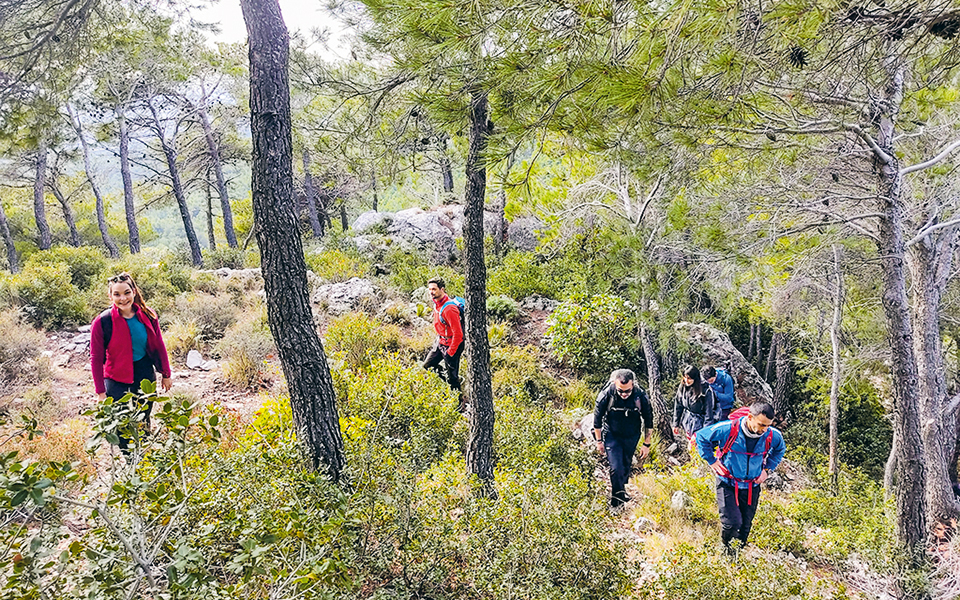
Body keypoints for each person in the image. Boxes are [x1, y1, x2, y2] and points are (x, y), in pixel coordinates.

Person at [90, 273, 172, 452]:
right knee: (121, 424)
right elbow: (96, 358)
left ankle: (145, 462)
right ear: (110, 296)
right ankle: (130, 463)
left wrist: (166, 374)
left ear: (134, 291)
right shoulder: (102, 322)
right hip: (116, 379)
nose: (123, 298)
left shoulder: (148, 315)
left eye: (127, 292)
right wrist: (100, 392)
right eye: (117, 294)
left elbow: (159, 345)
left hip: (144, 373)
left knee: (143, 419)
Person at [695, 402, 786, 556]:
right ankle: (725, 555)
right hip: (727, 483)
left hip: (751, 487)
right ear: (749, 417)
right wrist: (712, 461)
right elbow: (701, 437)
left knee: (745, 525)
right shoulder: (728, 429)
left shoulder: (772, 435)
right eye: (761, 425)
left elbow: (779, 449)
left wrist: (767, 470)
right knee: (732, 523)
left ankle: (736, 557)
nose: (764, 430)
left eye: (768, 426)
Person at [593, 369, 653, 509]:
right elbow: (597, 419)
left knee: (625, 465)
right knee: (616, 468)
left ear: (633, 385)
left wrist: (647, 444)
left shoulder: (640, 396)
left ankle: (621, 491)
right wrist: (599, 441)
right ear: (615, 384)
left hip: (632, 435)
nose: (624, 394)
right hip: (612, 435)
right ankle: (616, 503)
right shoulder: (606, 394)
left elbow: (648, 419)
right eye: (620, 391)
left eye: (627, 391)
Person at [422, 278, 463, 393]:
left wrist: (450, 352)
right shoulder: (437, 303)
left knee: (453, 378)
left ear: (442, 289)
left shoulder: (449, 309)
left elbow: (458, 334)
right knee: (428, 365)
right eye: (430, 289)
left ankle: (458, 404)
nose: (431, 292)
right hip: (440, 342)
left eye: (434, 289)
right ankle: (447, 382)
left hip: (451, 345)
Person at [672, 364, 720, 449]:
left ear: (695, 378)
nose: (686, 380)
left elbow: (709, 415)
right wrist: (675, 423)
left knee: (698, 447)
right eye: (685, 377)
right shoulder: (683, 386)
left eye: (689, 378)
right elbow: (678, 404)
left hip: (700, 423)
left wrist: (703, 434)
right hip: (687, 421)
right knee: (691, 447)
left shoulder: (705, 391)